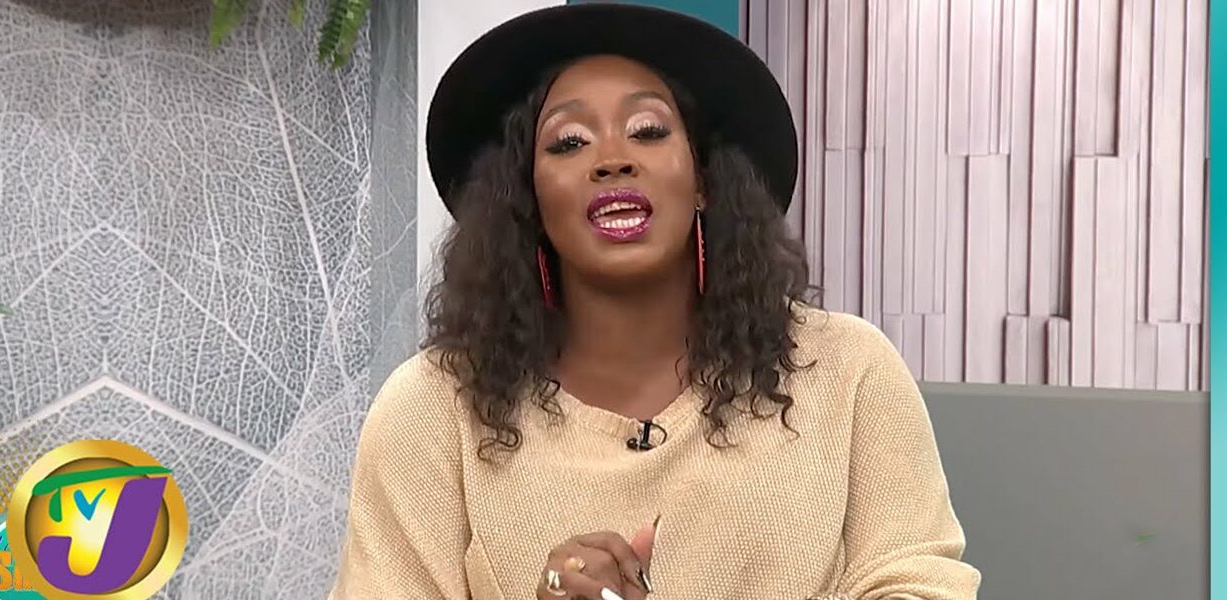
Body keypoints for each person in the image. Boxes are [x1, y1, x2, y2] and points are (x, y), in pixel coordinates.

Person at [330, 4, 980, 599]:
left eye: (647, 131)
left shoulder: (847, 369)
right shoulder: (431, 408)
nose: (612, 159)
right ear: (528, 199)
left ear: (702, 181)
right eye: (569, 142)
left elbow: (923, 586)